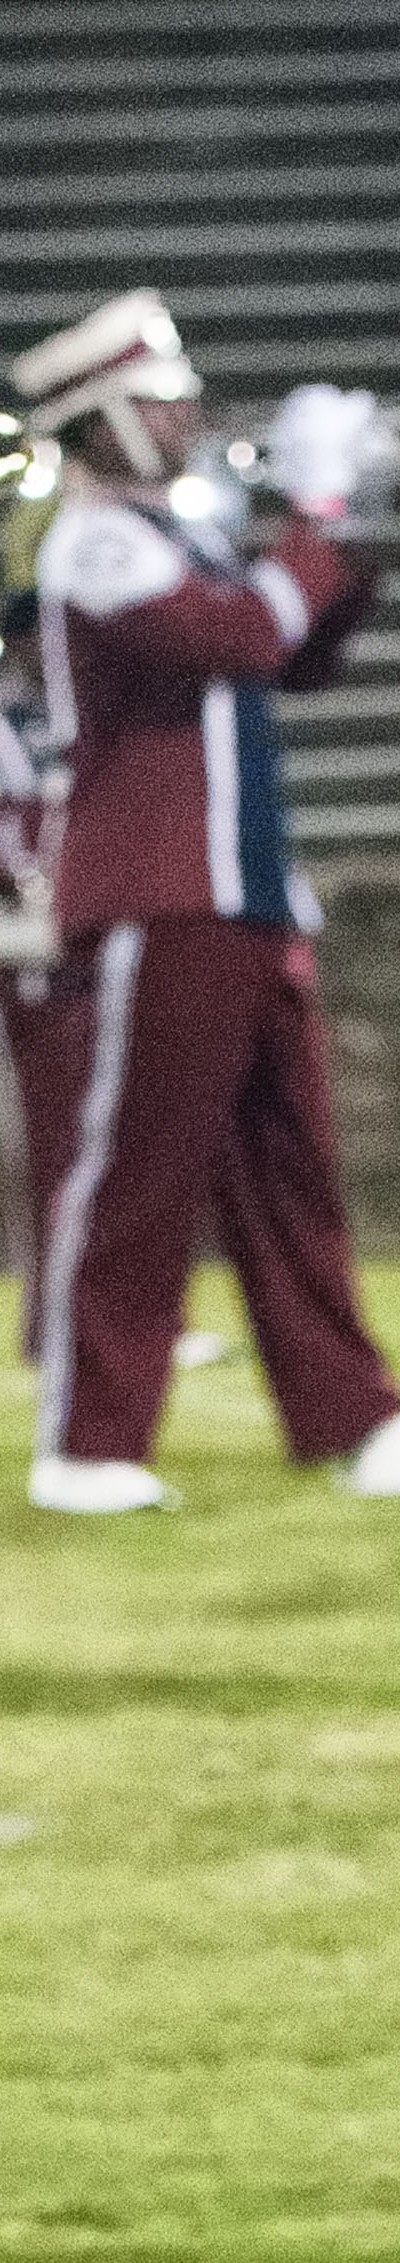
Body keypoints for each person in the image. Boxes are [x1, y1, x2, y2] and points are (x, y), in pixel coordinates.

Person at [10, 295, 400, 1505]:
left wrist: (346, 528)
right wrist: (313, 517)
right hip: (157, 890)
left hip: (244, 889)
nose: (185, 417)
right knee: (136, 1176)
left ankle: (353, 1416)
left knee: (291, 1171)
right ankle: (89, 1446)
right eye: (158, 401)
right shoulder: (97, 542)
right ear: (100, 421)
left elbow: (300, 651)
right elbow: (239, 638)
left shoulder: (176, 535)